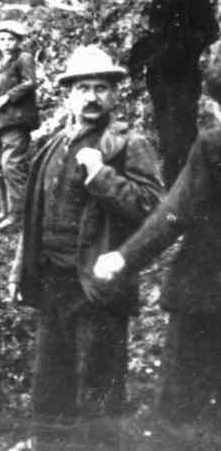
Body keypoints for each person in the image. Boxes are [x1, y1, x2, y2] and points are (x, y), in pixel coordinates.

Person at [9, 45, 163, 450]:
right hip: (52, 283)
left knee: (98, 391)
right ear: (68, 95)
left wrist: (100, 174)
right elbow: (34, 215)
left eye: (101, 88)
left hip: (97, 288)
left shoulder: (128, 144)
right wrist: (19, 269)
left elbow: (153, 209)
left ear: (114, 94)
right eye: (83, 88)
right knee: (49, 387)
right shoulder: (53, 145)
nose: (92, 97)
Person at [93, 56, 221, 433]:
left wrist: (124, 257)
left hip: (204, 294)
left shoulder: (213, 144)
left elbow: (175, 212)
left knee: (180, 411)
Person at [129, 0, 219, 186]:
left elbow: (210, 31)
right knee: (165, 130)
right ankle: (173, 186)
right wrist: (139, 59)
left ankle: (191, 185)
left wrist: (183, 50)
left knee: (183, 128)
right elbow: (156, 35)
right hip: (160, 77)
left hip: (183, 74)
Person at [0, 19, 40, 232]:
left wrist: (6, 98)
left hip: (17, 120)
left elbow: (30, 83)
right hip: (0, 122)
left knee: (12, 165)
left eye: (11, 39)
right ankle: (6, 210)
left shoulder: (24, 58)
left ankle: (19, 215)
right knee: (0, 167)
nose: (6, 43)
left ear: (18, 41)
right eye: (2, 39)